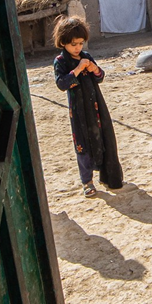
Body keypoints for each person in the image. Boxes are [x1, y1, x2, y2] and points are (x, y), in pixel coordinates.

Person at [52, 15, 124, 197]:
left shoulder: (87, 57)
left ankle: (107, 176)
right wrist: (77, 69)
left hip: (97, 107)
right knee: (83, 144)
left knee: (103, 139)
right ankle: (87, 182)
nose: (77, 48)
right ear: (63, 42)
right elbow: (62, 84)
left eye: (80, 43)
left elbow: (100, 77)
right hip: (79, 112)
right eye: (73, 44)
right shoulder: (61, 61)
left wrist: (95, 69)